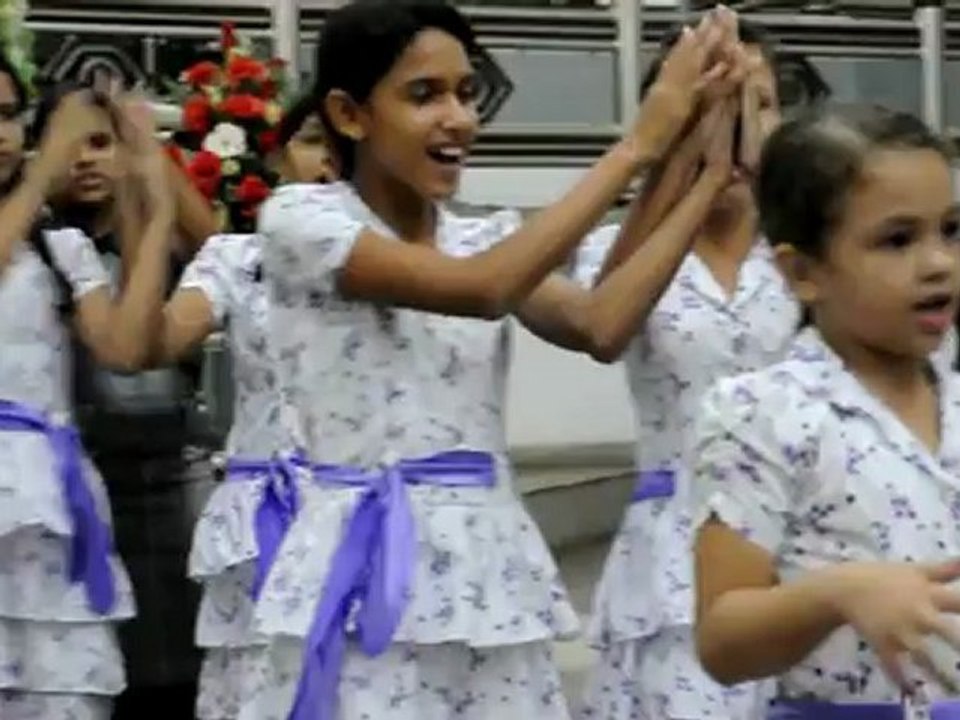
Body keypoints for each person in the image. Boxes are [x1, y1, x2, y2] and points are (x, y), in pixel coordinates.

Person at [220, 1, 749, 718]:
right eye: (424, 95)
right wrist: (637, 147)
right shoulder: (302, 220)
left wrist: (703, 171)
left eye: (467, 94)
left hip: (487, 570)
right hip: (361, 566)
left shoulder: (479, 238)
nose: (458, 119)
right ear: (349, 114)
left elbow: (600, 323)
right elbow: (486, 290)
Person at [692, 104, 960, 718]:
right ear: (802, 272)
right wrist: (839, 593)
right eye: (898, 240)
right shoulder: (765, 414)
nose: (939, 262)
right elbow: (722, 642)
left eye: (951, 230)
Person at [574, 19, 794, 720]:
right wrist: (695, 175)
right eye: (712, 107)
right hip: (676, 549)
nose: (736, 125)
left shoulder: (814, 253)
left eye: (756, 105)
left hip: (808, 536)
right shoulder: (621, 247)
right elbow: (602, 325)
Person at [29, 80, 222, 718]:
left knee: (186, 671)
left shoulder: (161, 240)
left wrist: (151, 161)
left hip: (173, 481)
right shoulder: (39, 247)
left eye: (102, 142)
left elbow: (219, 247)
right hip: (77, 484)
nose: (86, 159)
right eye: (71, 144)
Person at [146, 98, 340, 719]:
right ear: (280, 158)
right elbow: (157, 341)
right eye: (312, 140)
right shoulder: (235, 259)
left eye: (342, 143)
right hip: (262, 520)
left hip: (359, 512)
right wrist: (150, 216)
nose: (328, 160)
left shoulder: (407, 262)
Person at [0, 53, 174, 719]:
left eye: (7, 115)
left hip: (47, 501)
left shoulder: (58, 247)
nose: (0, 133)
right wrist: (45, 168)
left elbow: (125, 351)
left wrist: (155, 212)